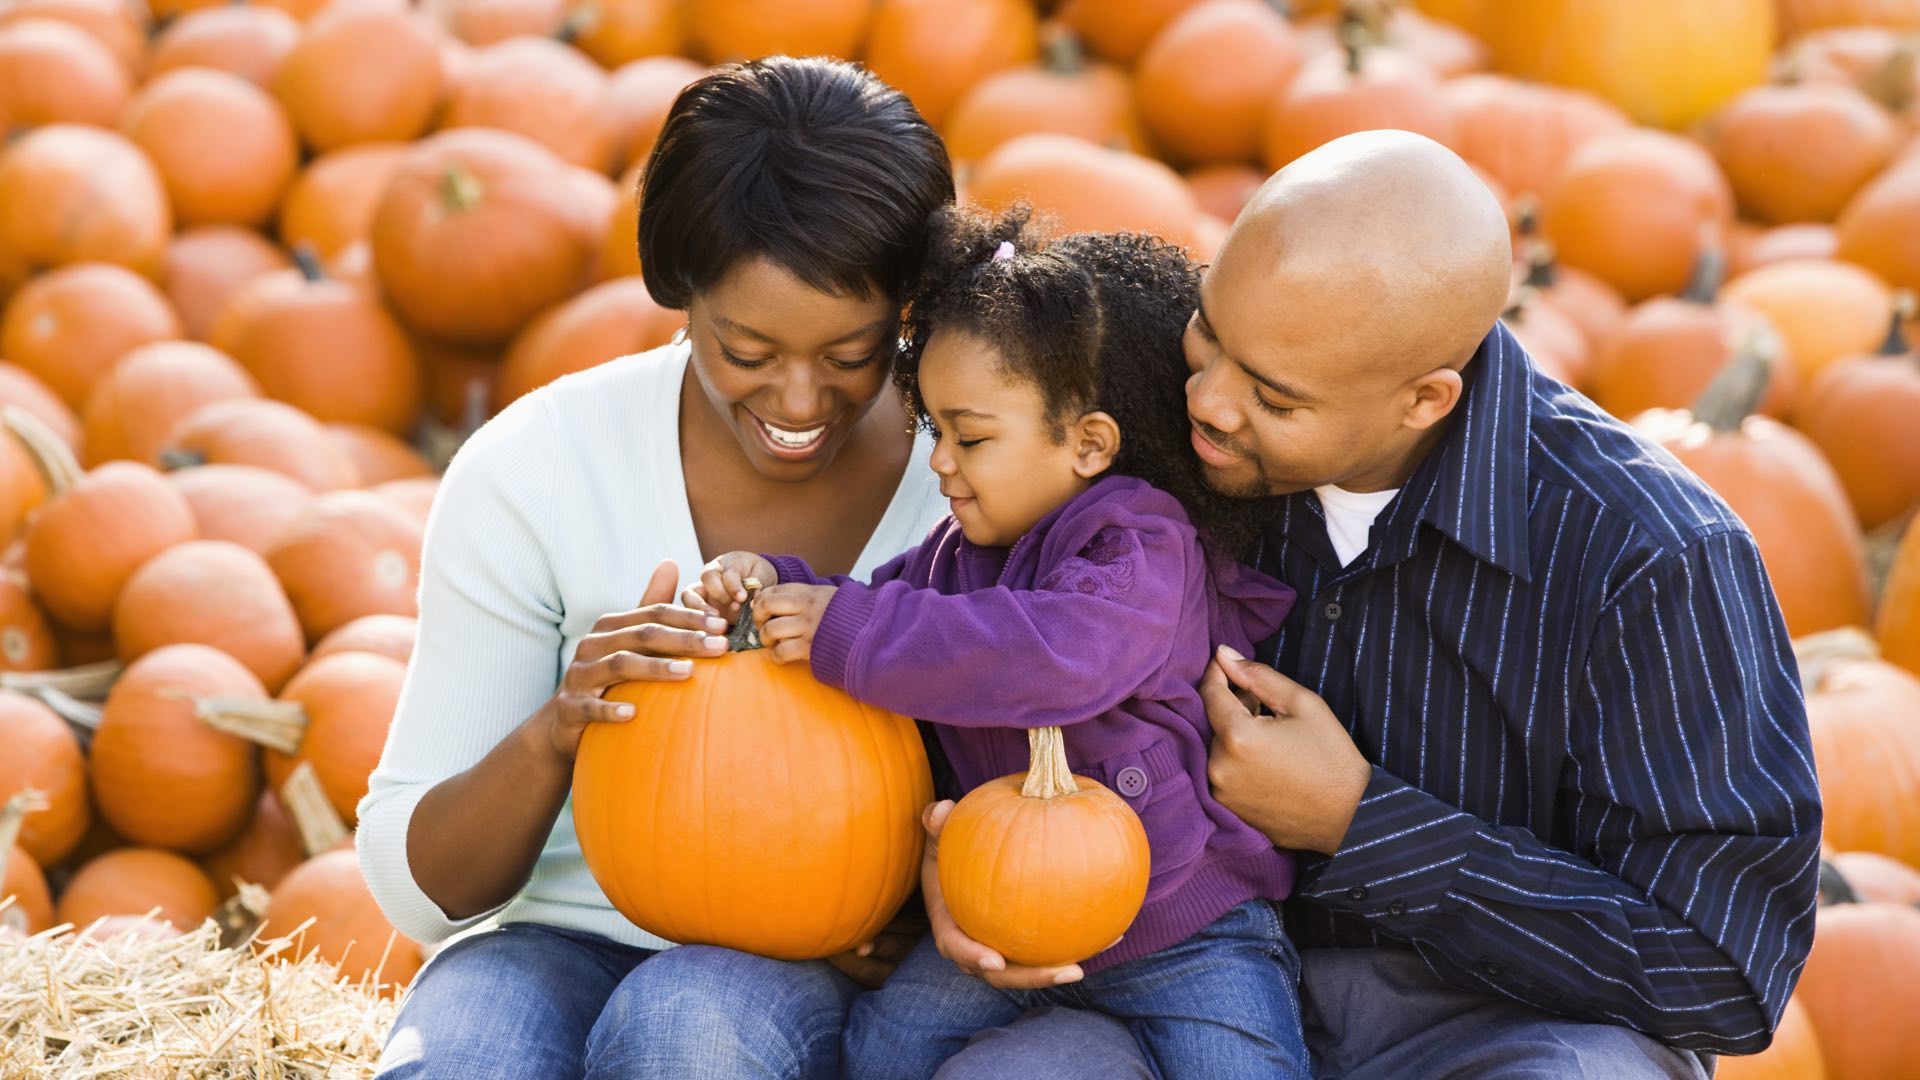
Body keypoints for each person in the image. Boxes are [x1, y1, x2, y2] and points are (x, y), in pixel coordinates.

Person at [916, 130, 1823, 1078]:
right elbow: (981, 611)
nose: (1209, 401)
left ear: (1424, 400)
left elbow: (1724, 971)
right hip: (1156, 977)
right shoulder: (1148, 410)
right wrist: (960, 856)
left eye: (1273, 395)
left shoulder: (1650, 558)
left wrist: (1363, 822)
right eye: (1212, 331)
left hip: (1489, 1027)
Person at [355, 56, 958, 1078]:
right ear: (677, 292)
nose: (801, 401)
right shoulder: (536, 467)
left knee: (693, 1029)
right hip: (555, 938)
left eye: (853, 353)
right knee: (461, 1057)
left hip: (802, 953)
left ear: (913, 306)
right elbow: (421, 894)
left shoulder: (972, 477)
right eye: (748, 350)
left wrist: (911, 900)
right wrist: (560, 729)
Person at [690, 210, 1306, 1079]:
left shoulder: (1138, 544)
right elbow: (870, 606)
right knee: (882, 1053)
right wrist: (778, 584)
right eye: (933, 431)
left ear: (1088, 443)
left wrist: (848, 631)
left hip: (1184, 924)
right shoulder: (954, 559)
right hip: (1002, 915)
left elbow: (1057, 655)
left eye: (969, 437)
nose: (941, 462)